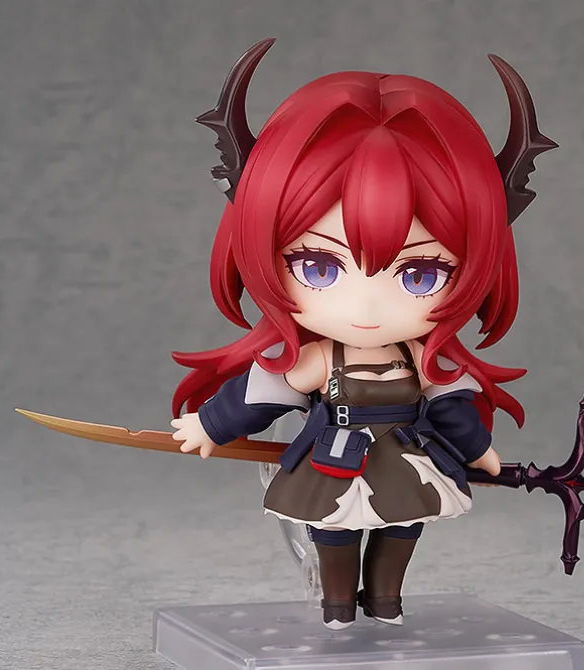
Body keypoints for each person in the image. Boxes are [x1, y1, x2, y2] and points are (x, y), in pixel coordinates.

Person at [170, 39, 555, 629]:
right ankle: (336, 607)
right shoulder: (319, 359)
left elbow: (451, 408)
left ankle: (385, 602)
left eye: (421, 274)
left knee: (403, 529)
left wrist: (479, 450)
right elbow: (261, 393)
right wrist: (211, 424)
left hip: (404, 459)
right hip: (333, 460)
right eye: (318, 267)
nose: (367, 306)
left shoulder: (422, 359)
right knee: (334, 535)